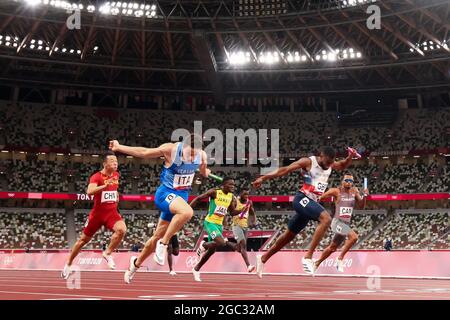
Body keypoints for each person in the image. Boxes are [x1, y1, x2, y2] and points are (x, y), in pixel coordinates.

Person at [109, 134, 210, 284]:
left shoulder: (201, 155)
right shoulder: (171, 149)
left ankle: (134, 265)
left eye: (195, 154)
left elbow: (202, 170)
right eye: (190, 153)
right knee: (187, 212)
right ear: (184, 146)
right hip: (165, 194)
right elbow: (144, 152)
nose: (191, 157)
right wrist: (119, 147)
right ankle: (163, 244)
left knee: (155, 236)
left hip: (180, 199)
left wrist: (204, 172)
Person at [252, 146, 359, 277]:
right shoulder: (308, 162)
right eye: (327, 163)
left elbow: (342, 165)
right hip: (301, 199)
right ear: (321, 156)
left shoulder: (330, 164)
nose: (328, 166)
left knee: (288, 236)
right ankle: (308, 257)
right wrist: (264, 178)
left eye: (331, 163)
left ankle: (263, 259)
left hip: (310, 204)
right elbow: (284, 170)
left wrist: (350, 156)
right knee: (326, 219)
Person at [61, 151, 126, 279]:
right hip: (97, 215)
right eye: (112, 161)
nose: (115, 163)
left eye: (116, 161)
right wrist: (103, 186)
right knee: (82, 241)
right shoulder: (96, 177)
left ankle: (107, 253)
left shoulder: (117, 175)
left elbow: (114, 190)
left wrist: (116, 195)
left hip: (112, 213)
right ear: (105, 163)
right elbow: (89, 191)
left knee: (122, 230)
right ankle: (68, 264)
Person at [313, 173, 369, 273]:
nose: (349, 183)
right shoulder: (336, 191)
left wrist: (365, 196)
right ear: (342, 181)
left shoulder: (354, 191)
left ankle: (316, 263)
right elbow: (321, 197)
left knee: (332, 248)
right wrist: (317, 205)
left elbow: (361, 206)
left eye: (351, 181)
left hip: (346, 224)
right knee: (354, 237)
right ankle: (340, 259)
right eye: (347, 180)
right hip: (337, 223)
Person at [190, 177, 238, 281]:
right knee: (221, 243)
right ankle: (203, 245)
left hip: (219, 225)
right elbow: (198, 198)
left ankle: (196, 269)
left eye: (234, 185)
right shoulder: (214, 192)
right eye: (230, 185)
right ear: (224, 185)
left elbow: (232, 212)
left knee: (212, 250)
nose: (233, 187)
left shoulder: (231, 197)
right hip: (210, 222)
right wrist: (188, 210)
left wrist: (242, 210)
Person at [231, 188, 257, 272]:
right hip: (236, 225)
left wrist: (254, 220)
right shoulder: (235, 201)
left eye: (247, 194)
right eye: (245, 194)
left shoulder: (249, 202)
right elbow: (231, 212)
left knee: (241, 248)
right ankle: (249, 266)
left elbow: (252, 212)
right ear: (240, 194)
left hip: (245, 226)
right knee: (243, 243)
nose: (246, 196)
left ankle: (226, 242)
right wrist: (240, 211)